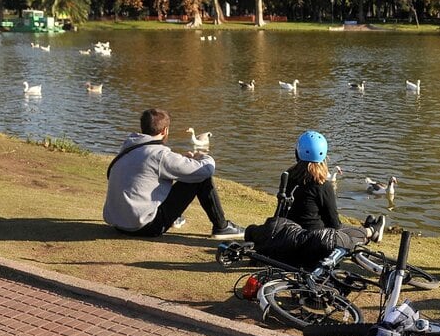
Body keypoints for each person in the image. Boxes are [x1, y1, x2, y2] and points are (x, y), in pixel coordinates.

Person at [243, 130, 385, 268]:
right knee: (342, 235)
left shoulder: (287, 176)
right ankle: (370, 232)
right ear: (324, 157)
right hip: (313, 241)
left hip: (285, 234)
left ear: (297, 153)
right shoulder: (323, 186)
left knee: (253, 230)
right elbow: (334, 224)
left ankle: (369, 230)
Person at [103, 108, 244, 240]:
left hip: (118, 224)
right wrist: (201, 156)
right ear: (165, 130)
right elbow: (206, 169)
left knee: (172, 174)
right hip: (144, 227)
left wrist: (182, 160)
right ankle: (222, 227)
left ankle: (175, 218)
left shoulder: (129, 147)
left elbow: (152, 168)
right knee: (200, 176)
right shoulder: (160, 155)